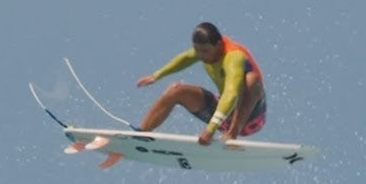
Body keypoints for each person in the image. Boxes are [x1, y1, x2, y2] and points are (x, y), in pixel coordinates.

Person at [98, 22, 267, 169]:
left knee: (252, 81)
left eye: (205, 51)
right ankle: (140, 136)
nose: (201, 55)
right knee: (176, 90)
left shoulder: (233, 57)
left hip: (250, 119)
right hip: (224, 115)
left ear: (219, 44)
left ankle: (232, 135)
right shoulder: (204, 51)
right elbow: (185, 58)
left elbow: (231, 95)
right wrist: (157, 75)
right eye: (197, 51)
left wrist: (210, 129)